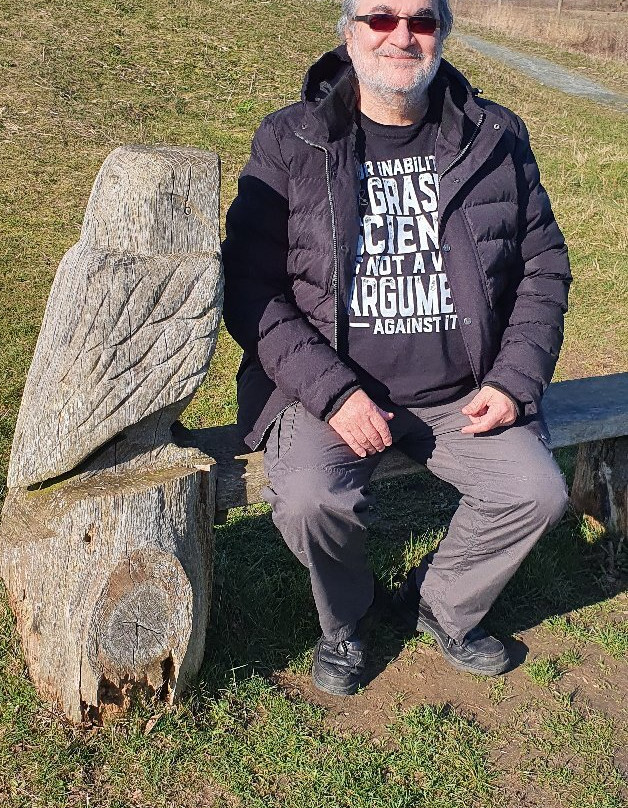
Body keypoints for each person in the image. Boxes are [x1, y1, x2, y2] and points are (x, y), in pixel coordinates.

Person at [222, 0, 571, 695]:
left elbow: (544, 266)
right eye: (380, 17)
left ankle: (440, 606)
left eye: (421, 20)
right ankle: (346, 622)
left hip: (463, 391)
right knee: (310, 499)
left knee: (535, 492)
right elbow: (251, 290)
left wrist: (512, 379)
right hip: (329, 390)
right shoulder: (291, 141)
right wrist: (333, 391)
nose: (401, 36)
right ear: (348, 32)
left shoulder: (496, 136)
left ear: (443, 32)